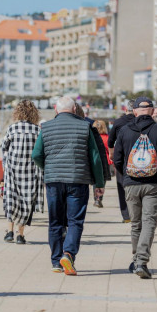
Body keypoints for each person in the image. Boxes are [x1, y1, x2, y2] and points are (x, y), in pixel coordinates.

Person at [32, 96, 105, 275]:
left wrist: (47, 168)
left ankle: (56, 261)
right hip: (78, 180)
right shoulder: (85, 126)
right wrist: (99, 183)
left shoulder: (46, 127)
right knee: (75, 221)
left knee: (55, 221)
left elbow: (36, 155)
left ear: (56, 110)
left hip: (54, 181)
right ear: (74, 110)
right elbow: (95, 158)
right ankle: (68, 254)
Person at [114, 96, 157, 279]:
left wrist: (126, 174)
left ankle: (136, 260)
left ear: (134, 111)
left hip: (131, 184)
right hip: (153, 183)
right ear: (151, 110)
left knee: (136, 224)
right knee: (149, 222)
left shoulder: (124, 131)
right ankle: (141, 261)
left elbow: (117, 159)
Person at [1, 100, 44, 245]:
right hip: (30, 171)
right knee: (26, 202)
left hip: (13, 170)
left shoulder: (12, 128)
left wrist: (5, 166)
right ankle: (20, 235)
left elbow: (4, 147)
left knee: (11, 200)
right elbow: (40, 152)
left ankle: (9, 232)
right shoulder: (37, 130)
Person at [108, 100, 135, 222]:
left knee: (121, 185)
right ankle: (135, 212)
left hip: (121, 158)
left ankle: (126, 215)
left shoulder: (118, 122)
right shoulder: (139, 122)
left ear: (126, 110)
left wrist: (111, 154)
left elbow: (110, 140)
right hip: (136, 158)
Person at [92, 119, 112, 208]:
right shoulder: (106, 137)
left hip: (94, 161)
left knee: (95, 182)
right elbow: (110, 150)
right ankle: (99, 198)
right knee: (102, 182)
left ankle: (96, 198)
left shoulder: (92, 137)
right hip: (104, 161)